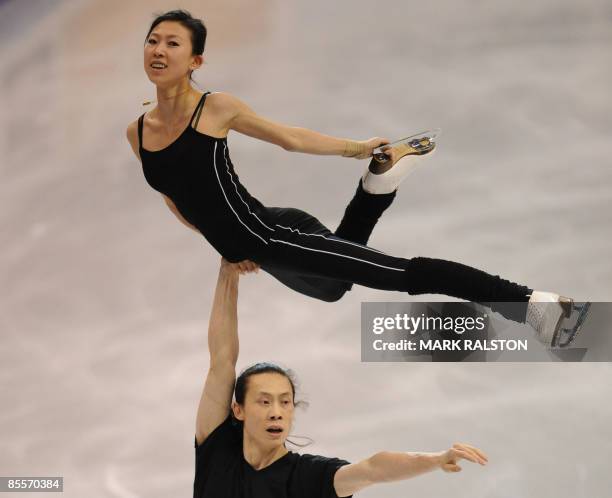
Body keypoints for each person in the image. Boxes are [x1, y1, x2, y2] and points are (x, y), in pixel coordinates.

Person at [125, 9, 585, 347]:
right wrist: (226, 249)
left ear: (195, 61)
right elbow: (177, 198)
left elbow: (289, 138)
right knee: (330, 289)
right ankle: (377, 187)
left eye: (173, 43)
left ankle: (535, 304)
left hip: (278, 236)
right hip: (260, 243)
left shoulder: (215, 108)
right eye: (153, 41)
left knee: (401, 275)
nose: (159, 51)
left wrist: (356, 147)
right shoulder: (138, 132)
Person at [193, 258, 488, 497]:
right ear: (238, 410)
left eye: (285, 402)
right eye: (264, 401)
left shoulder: (307, 478)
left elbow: (373, 468)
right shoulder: (217, 449)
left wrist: (434, 459)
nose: (276, 412)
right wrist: (227, 272)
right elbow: (222, 359)